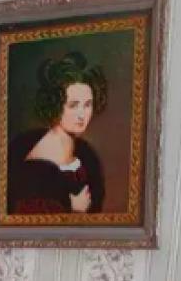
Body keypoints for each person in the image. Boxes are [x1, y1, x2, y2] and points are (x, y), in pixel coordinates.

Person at [7, 51, 107, 215]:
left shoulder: (86, 155)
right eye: (73, 105)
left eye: (87, 104)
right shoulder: (35, 167)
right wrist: (71, 208)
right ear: (55, 104)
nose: (82, 114)